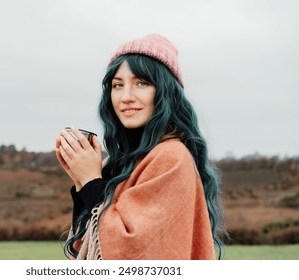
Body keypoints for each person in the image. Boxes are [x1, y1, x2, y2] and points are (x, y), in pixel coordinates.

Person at [55, 34, 225, 260]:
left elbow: (134, 250)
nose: (126, 97)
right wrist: (81, 181)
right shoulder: (125, 162)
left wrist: (90, 181)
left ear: (165, 92)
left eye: (141, 83)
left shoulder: (171, 157)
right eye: (117, 85)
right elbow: (86, 246)